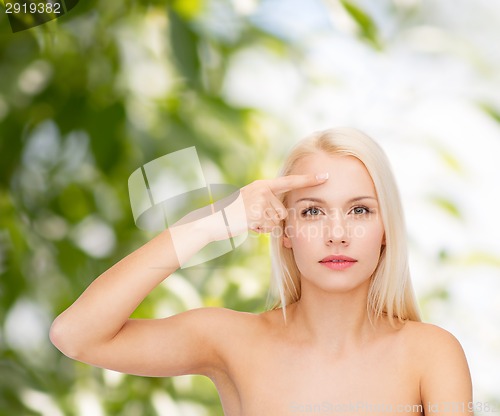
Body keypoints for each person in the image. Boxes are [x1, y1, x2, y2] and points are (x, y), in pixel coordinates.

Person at [50, 127, 473, 415]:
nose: (337, 234)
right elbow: (75, 335)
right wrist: (214, 224)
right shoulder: (232, 341)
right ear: (284, 230)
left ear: (386, 229)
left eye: (360, 210)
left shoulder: (430, 353)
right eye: (312, 212)